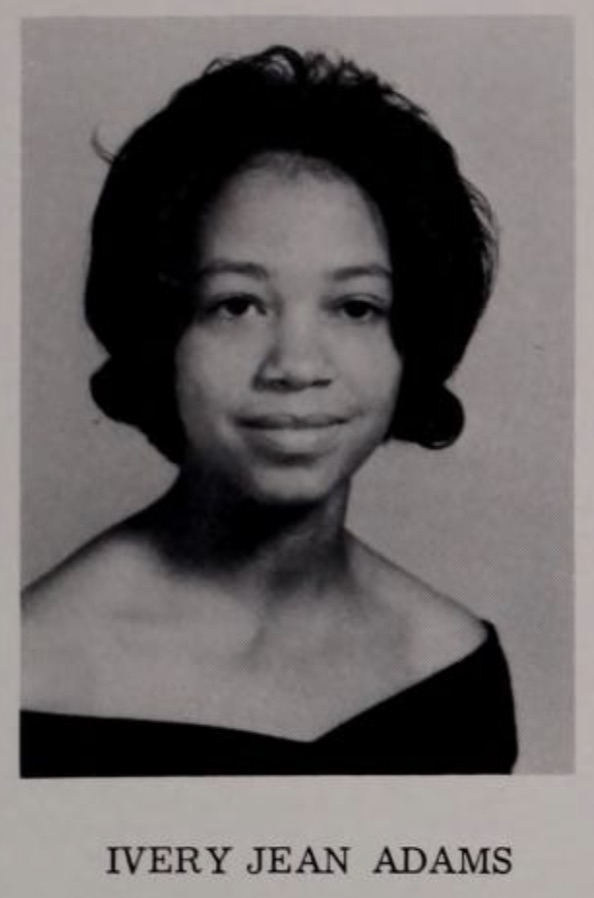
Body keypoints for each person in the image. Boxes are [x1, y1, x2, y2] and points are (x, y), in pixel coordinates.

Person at [21, 45, 517, 776]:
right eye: (236, 305)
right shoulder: (30, 674)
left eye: (355, 307)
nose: (295, 366)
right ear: (162, 335)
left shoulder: (449, 661)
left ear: (413, 341)